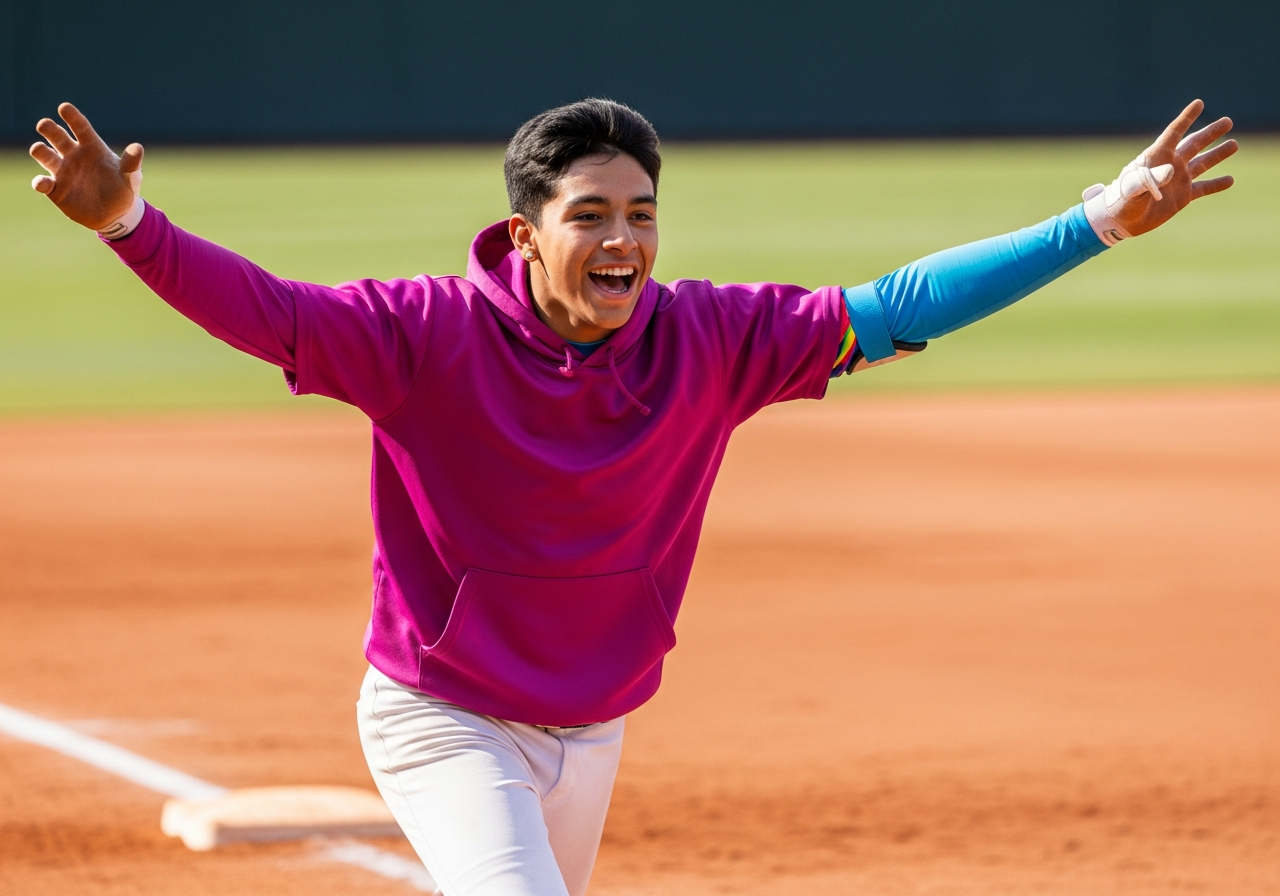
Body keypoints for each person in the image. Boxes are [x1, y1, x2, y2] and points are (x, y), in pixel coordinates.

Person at [28, 97, 1236, 896]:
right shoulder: (420, 334)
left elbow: (896, 303)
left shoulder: (711, 336)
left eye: (642, 215)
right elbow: (268, 311)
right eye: (591, 215)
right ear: (525, 231)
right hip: (442, 712)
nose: (624, 240)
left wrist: (1096, 223)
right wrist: (128, 224)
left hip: (592, 719)